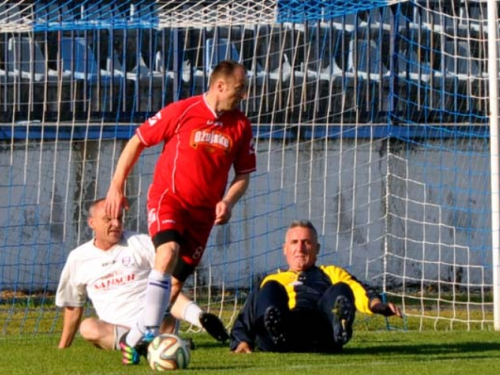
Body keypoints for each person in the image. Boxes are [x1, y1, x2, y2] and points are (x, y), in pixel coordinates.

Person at [104, 60, 256, 364]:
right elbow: (138, 141)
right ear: (220, 85)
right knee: (167, 251)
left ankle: (132, 342)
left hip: (202, 217)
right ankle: (149, 328)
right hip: (168, 199)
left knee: (174, 286)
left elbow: (243, 175)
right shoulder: (182, 110)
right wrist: (116, 186)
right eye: (239, 90)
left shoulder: (241, 125)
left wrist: (228, 200)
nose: (244, 96)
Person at [56, 198, 229, 353]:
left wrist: (200, 318)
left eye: (119, 218)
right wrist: (63, 348)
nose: (116, 224)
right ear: (91, 223)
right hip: (118, 330)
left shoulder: (139, 242)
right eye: (108, 219)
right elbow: (73, 305)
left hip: (158, 323)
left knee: (164, 290)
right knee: (88, 327)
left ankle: (158, 339)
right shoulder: (78, 257)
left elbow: (170, 286)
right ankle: (145, 345)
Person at [230, 220, 402, 354]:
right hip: (284, 330)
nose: (300, 248)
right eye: (294, 242)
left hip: (319, 332)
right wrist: (242, 341)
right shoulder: (271, 279)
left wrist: (377, 305)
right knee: (270, 289)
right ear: (285, 249)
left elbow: (357, 289)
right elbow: (246, 314)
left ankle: (338, 327)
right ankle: (275, 330)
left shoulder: (331, 272)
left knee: (341, 289)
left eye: (306, 242)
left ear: (317, 248)